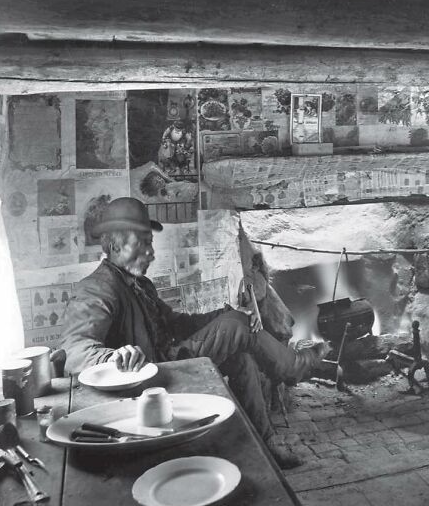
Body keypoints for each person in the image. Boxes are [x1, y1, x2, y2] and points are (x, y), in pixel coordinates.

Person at [59, 197, 329, 469]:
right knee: (236, 324)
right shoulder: (96, 289)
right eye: (142, 242)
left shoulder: (141, 285)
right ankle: (294, 367)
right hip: (151, 381)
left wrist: (221, 314)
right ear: (115, 245)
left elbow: (177, 323)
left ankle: (267, 444)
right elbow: (74, 349)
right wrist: (114, 357)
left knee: (242, 356)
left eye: (150, 243)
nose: (151, 253)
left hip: (169, 362)